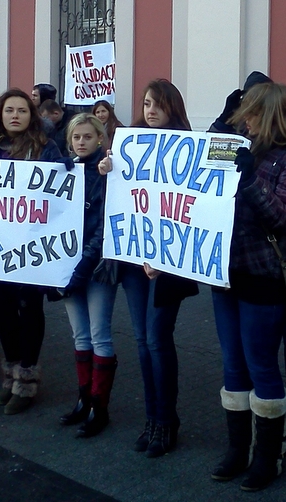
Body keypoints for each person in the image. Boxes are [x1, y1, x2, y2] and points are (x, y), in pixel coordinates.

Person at [208, 82, 286, 492]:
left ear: (272, 115)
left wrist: (250, 177)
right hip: (224, 272)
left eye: (252, 114)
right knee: (232, 364)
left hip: (264, 276)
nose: (245, 120)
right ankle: (238, 450)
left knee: (260, 364)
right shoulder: (241, 146)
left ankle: (269, 456)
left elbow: (282, 216)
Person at [98, 79, 199, 456]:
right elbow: (123, 203)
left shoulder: (189, 148)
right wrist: (108, 170)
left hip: (169, 264)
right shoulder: (129, 146)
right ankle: (154, 419)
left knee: (158, 339)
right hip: (134, 260)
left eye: (158, 103)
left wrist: (162, 255)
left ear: (173, 107)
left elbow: (191, 208)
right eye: (145, 103)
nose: (150, 109)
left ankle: (166, 419)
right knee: (142, 341)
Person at [0, 88, 69, 415]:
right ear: (0, 115)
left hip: (31, 247)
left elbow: (63, 188)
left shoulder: (46, 149)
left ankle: (27, 377)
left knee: (28, 309)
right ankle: (11, 371)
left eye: (22, 111)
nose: (15, 115)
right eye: (9, 110)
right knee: (2, 311)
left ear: (32, 116)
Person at [56, 113, 118, 438]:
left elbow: (103, 228)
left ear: (99, 139)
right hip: (66, 266)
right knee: (80, 336)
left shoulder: (106, 174)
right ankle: (84, 399)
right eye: (76, 137)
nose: (81, 142)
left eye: (87, 137)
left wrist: (82, 266)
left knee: (99, 335)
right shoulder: (61, 173)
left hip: (95, 268)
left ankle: (99, 406)